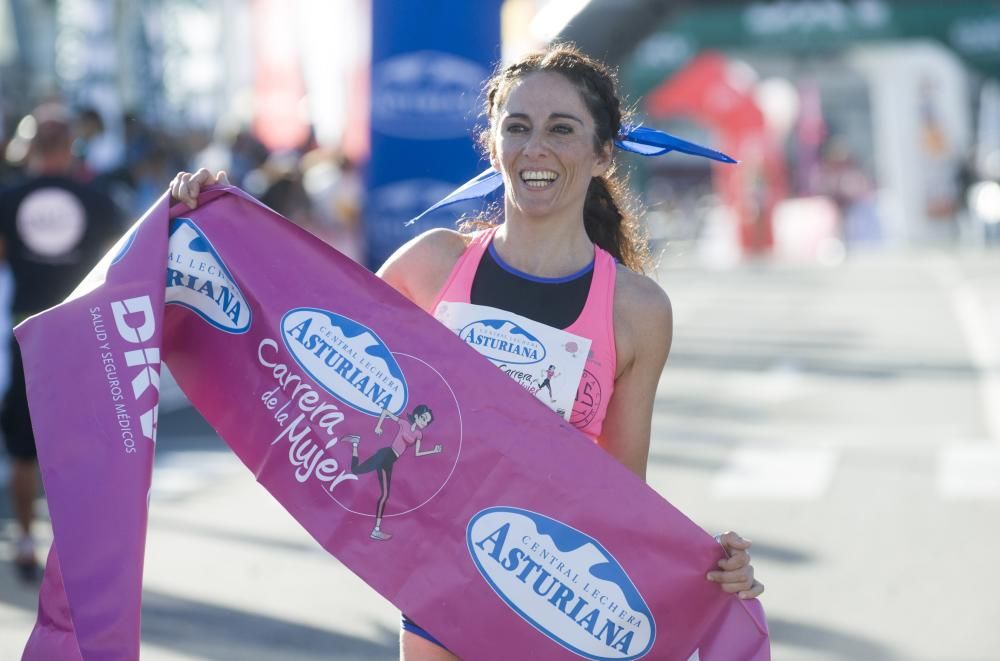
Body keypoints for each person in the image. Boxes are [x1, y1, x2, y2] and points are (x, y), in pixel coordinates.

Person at [170, 42, 763, 661]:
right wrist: (210, 228)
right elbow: (302, 327)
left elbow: (622, 497)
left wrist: (707, 567)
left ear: (602, 153)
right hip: (439, 584)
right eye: (518, 127)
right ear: (493, 143)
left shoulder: (637, 312)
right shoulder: (433, 265)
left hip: (550, 592)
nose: (536, 148)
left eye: (562, 129)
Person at [0, 104, 125, 582]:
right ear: (71, 147)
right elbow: (123, 263)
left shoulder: (9, 199)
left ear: (29, 147)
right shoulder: (97, 199)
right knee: (85, 444)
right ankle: (79, 548)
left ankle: (28, 541)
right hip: (83, 332)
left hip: (26, 331)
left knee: (23, 445)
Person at [348, 404, 442, 541]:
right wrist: (378, 426)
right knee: (381, 492)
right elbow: (385, 412)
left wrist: (434, 451)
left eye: (426, 422)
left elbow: (417, 452)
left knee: (362, 476)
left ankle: (355, 443)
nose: (424, 423)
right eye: (423, 418)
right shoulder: (404, 423)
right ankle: (376, 530)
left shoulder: (418, 434)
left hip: (390, 460)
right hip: (386, 455)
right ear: (416, 416)